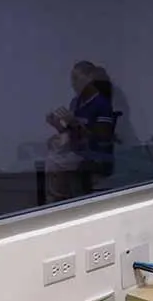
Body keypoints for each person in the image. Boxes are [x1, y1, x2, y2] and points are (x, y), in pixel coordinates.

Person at [45, 61, 115, 201]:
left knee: (55, 163)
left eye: (76, 78)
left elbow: (102, 137)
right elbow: (71, 131)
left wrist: (75, 123)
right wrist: (58, 125)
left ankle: (61, 199)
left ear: (90, 78)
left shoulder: (101, 104)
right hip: (76, 151)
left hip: (92, 154)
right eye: (72, 79)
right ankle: (59, 199)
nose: (72, 83)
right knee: (50, 159)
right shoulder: (75, 102)